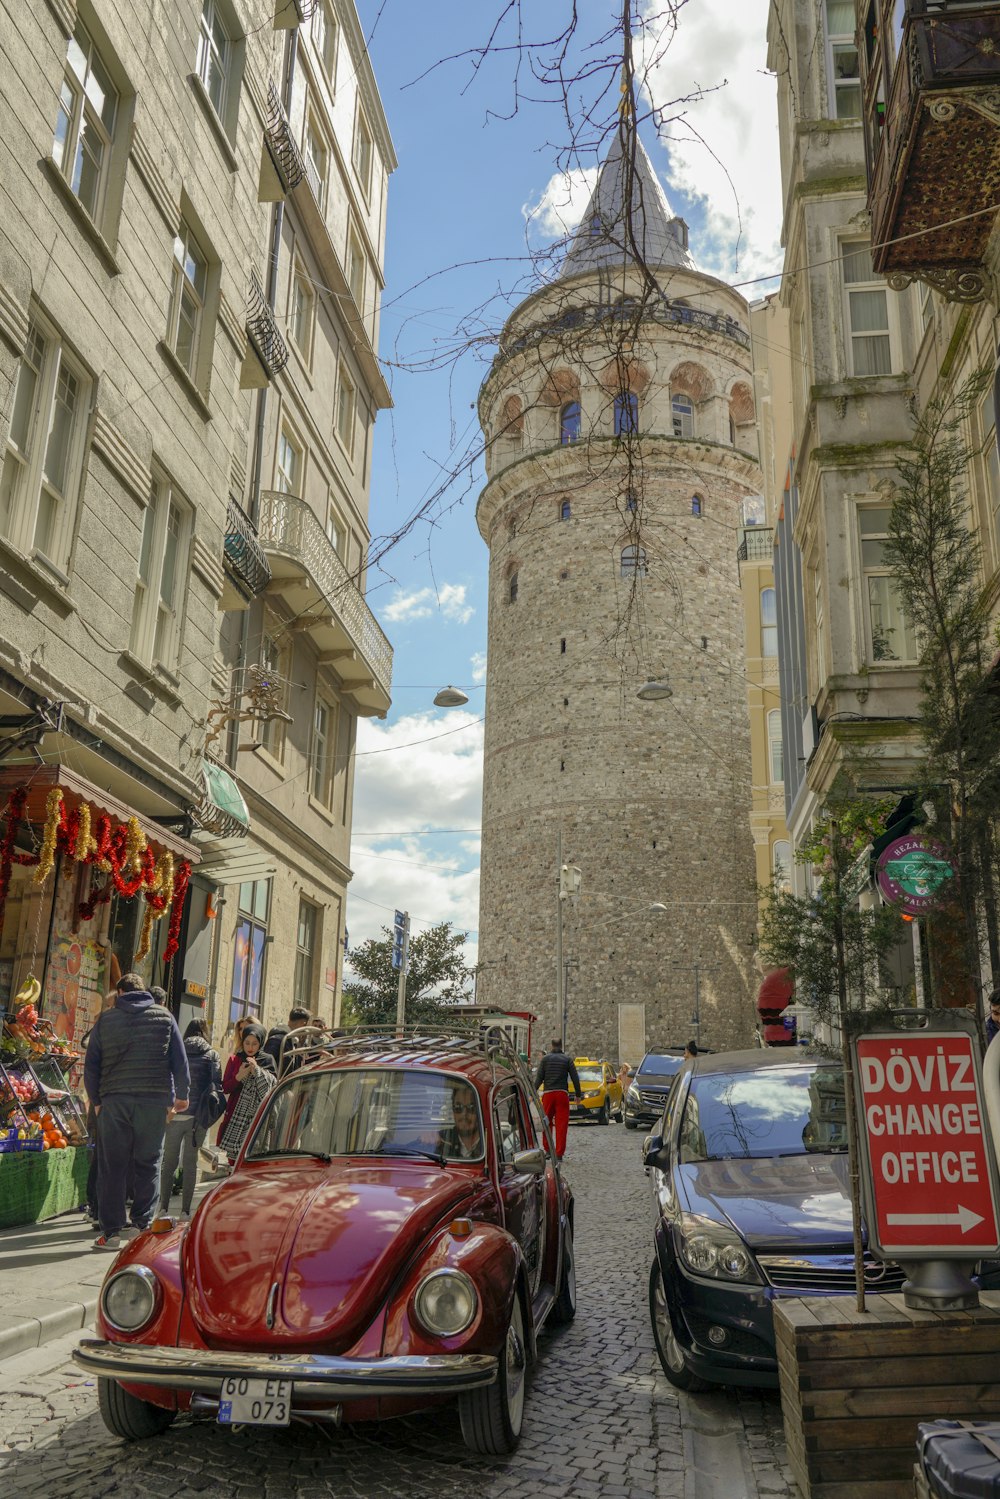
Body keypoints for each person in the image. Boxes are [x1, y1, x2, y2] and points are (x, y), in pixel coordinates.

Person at [84, 972, 189, 1251]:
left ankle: (112, 1233)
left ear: (119, 993)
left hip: (114, 1101)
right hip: (153, 1102)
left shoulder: (106, 1019)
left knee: (112, 1167)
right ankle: (141, 1227)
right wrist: (182, 1096)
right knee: (148, 1163)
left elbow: (91, 1064)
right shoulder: (165, 1016)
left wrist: (96, 1100)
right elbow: (179, 1059)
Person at [157, 1019, 222, 1220]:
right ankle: (185, 1211)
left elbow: (165, 1077)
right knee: (190, 1163)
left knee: (169, 1162)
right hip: (197, 1117)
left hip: (175, 1113)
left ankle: (163, 1208)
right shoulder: (212, 1054)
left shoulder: (176, 1050)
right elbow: (216, 1084)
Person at [220, 1023, 275, 1163]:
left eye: (255, 1043)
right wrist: (239, 1076)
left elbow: (271, 1088)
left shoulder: (267, 1060)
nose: (250, 1047)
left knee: (254, 1159)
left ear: (261, 1043)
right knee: (233, 1161)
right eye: (247, 1043)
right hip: (235, 1116)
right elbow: (225, 1087)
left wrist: (257, 1070)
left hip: (258, 1116)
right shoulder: (235, 1059)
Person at [534, 1038, 582, 1161]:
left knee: (546, 1122)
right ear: (561, 1045)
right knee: (561, 1124)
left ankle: (548, 1149)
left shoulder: (545, 1060)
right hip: (562, 1093)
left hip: (548, 1094)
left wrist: (532, 1092)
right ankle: (559, 1153)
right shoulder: (567, 1060)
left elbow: (539, 1078)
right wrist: (578, 1094)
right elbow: (575, 1078)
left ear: (551, 1046)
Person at [437, 1082, 484, 1160]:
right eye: (458, 1107)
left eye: (471, 1107)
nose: (464, 1114)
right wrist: (427, 1138)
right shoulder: (442, 1139)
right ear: (453, 1110)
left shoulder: (492, 1145)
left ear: (480, 1111)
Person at [263, 1005, 312, 1074]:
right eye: (306, 1026)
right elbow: (266, 1065)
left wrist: (300, 1046)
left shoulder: (293, 1041)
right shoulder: (277, 1040)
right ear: (303, 1024)